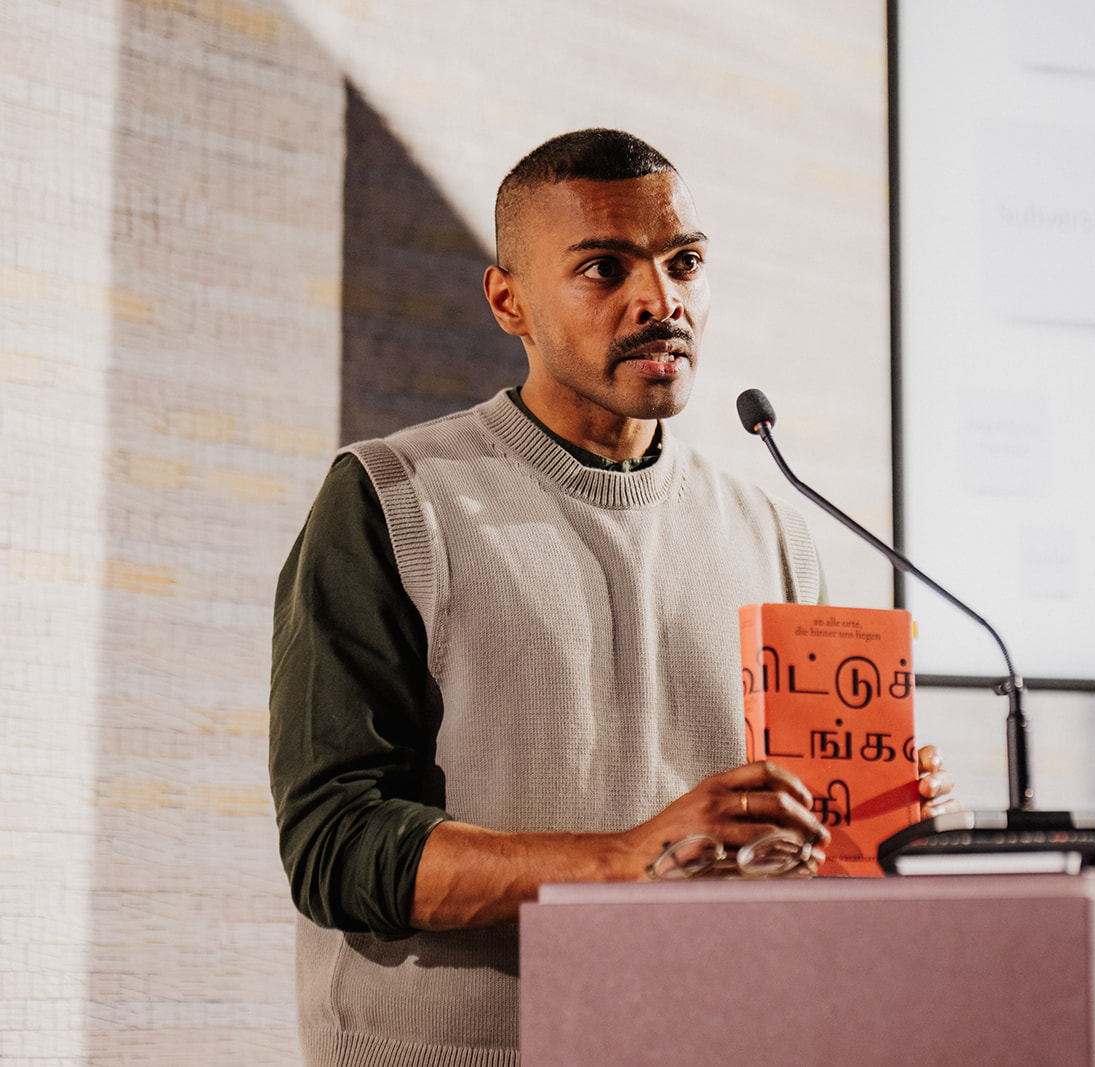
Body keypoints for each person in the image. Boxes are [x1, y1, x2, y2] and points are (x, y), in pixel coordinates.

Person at [269, 128, 954, 1067]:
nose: (660, 300)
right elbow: (336, 844)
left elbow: (785, 852)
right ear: (508, 300)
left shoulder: (777, 531)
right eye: (604, 268)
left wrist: (864, 808)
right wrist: (631, 858)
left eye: (685, 262)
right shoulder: (393, 498)